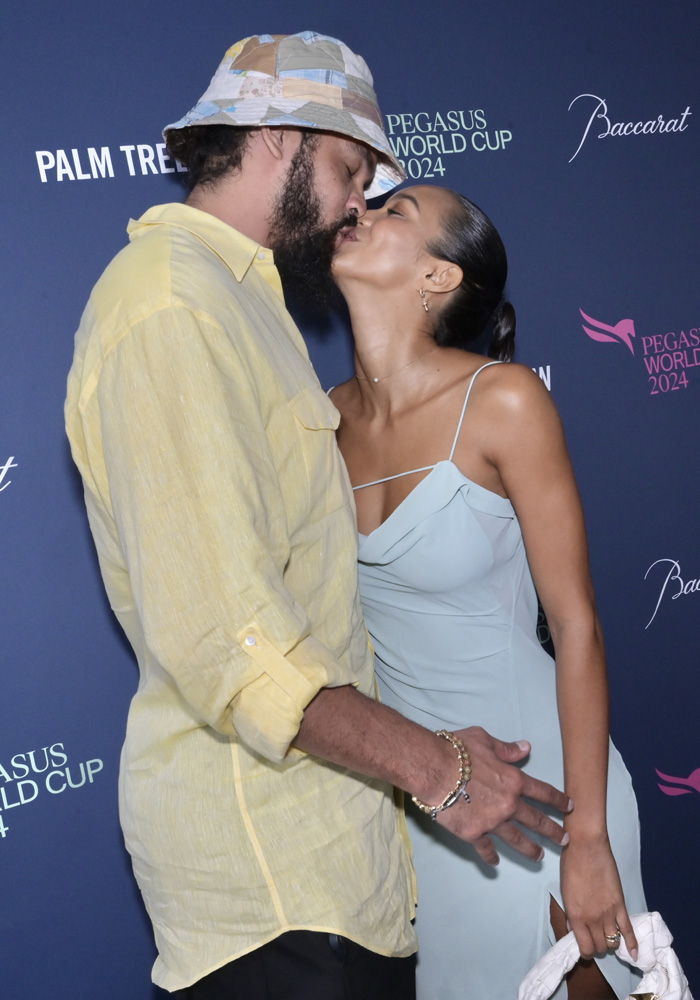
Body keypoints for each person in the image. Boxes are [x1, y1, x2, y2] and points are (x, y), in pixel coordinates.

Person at [65, 34, 570, 999]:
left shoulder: (249, 307)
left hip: (339, 874)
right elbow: (232, 641)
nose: (353, 203)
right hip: (271, 891)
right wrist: (440, 771)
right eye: (345, 168)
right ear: (276, 140)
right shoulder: (173, 310)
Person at [330, 184, 648, 1000]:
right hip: (425, 799)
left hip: (544, 794)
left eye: (393, 212)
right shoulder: (318, 421)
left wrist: (589, 837)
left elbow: (577, 627)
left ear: (438, 277)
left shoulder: (503, 401)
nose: (359, 213)